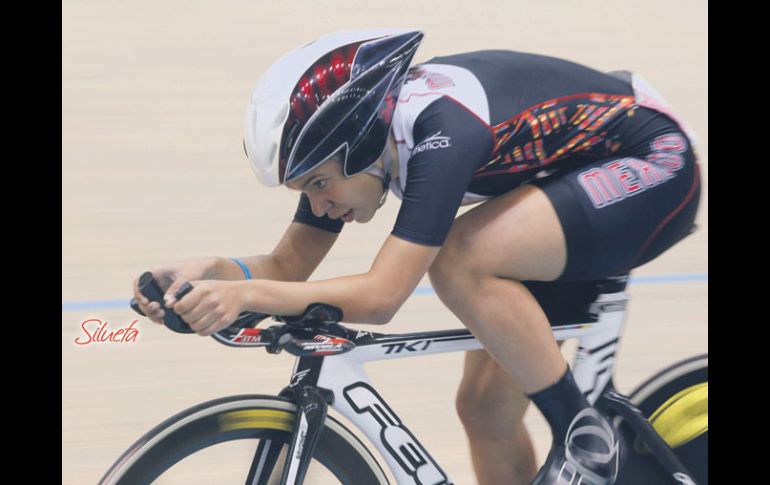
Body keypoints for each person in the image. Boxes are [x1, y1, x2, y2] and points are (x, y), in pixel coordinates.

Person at [133, 29, 701, 484]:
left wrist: (246, 295)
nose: (319, 204)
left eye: (319, 184)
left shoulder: (441, 132)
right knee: (484, 410)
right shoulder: (360, 155)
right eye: (305, 190)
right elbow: (286, 269)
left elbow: (383, 297)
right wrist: (210, 274)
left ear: (358, 146)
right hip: (567, 182)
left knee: (460, 257)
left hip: (651, 162)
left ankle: (586, 440)